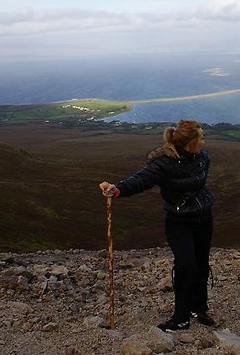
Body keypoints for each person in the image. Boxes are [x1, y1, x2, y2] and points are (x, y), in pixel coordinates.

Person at [99, 119, 215, 332]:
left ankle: (199, 308)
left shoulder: (203, 158)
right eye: (201, 137)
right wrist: (118, 190)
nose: (204, 141)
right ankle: (180, 317)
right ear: (190, 142)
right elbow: (141, 179)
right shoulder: (164, 163)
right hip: (179, 222)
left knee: (200, 264)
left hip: (203, 218)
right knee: (186, 265)